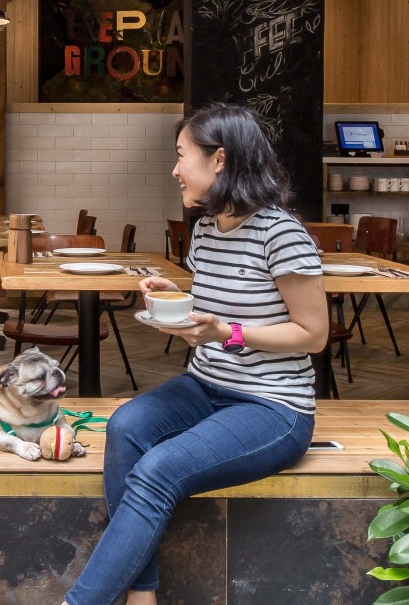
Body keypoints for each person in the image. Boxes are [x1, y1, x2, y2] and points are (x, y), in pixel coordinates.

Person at [62, 103, 329, 605]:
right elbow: (218, 302)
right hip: (205, 386)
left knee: (159, 469)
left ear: (220, 160)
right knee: (125, 427)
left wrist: (226, 332)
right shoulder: (205, 230)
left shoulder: (282, 234)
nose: (175, 168)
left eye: (182, 155)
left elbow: (312, 335)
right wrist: (175, 295)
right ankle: (142, 596)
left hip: (273, 407)